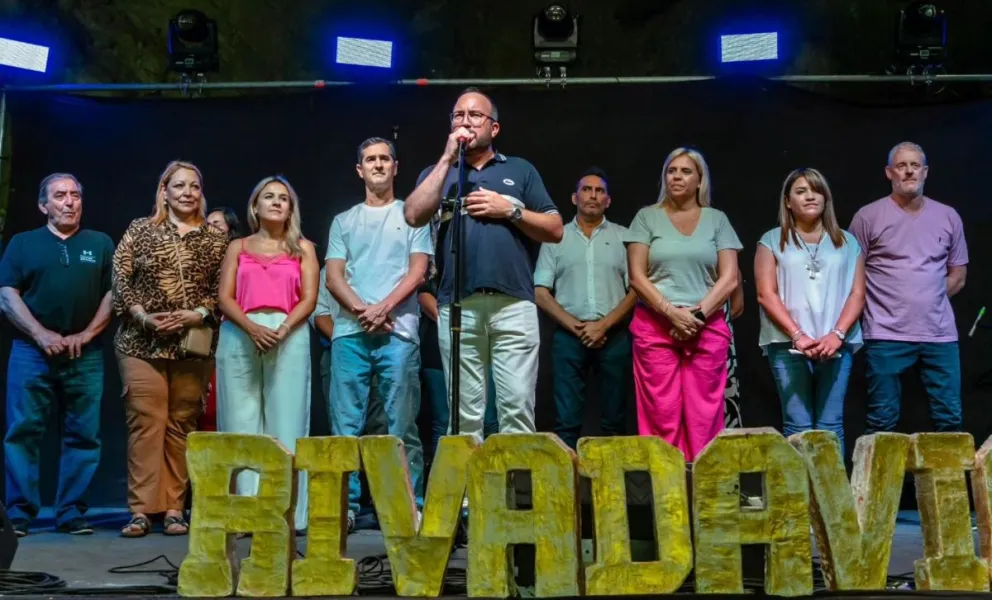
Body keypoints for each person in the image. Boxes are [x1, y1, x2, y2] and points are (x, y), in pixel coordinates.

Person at [403, 87, 563, 439]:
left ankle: (513, 494)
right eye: (458, 115)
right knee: (463, 415)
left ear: (494, 128)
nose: (466, 121)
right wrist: (446, 159)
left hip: (513, 304)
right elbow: (413, 214)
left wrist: (510, 210)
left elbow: (555, 228)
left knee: (517, 409)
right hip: (458, 307)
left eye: (475, 115)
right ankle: (468, 496)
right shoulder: (438, 173)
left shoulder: (519, 170)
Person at [112, 160, 227, 537]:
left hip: (192, 348)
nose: (187, 193)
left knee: (181, 426)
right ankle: (142, 510)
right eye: (178, 186)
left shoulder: (215, 237)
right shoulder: (140, 230)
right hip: (140, 343)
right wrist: (142, 316)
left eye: (194, 186)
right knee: (147, 424)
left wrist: (198, 313)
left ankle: (175, 508)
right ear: (164, 191)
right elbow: (120, 278)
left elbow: (223, 290)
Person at [0, 173, 114, 537]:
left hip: (86, 353)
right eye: (60, 196)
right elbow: (7, 295)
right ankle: (19, 513)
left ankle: (71, 513)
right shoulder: (22, 243)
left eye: (76, 195)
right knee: (23, 432)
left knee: (84, 435)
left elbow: (113, 296)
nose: (69, 202)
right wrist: (40, 334)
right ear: (42, 205)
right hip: (31, 352)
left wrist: (87, 333)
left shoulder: (100, 243)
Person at [326, 137, 431, 532]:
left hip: (398, 334)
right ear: (359, 169)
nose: (378, 164)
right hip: (350, 335)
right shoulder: (344, 220)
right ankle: (345, 507)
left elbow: (418, 271)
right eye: (370, 159)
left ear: (396, 166)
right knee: (346, 428)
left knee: (402, 426)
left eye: (384, 158)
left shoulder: (412, 215)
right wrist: (362, 311)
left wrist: (382, 308)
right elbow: (334, 276)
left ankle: (410, 505)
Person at [216, 176, 318, 532]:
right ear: (255, 206)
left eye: (284, 198)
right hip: (241, 330)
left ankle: (286, 511)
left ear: (291, 208)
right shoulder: (238, 247)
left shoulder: (304, 249)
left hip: (288, 332)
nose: (276, 202)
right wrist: (251, 328)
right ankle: (245, 511)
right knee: (240, 419)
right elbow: (224, 297)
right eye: (269, 197)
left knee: (286, 420)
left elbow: (309, 299)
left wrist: (283, 329)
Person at [625, 147, 741, 462]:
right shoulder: (646, 217)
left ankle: (704, 494)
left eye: (686, 171)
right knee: (661, 413)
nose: (677, 176)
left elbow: (729, 278)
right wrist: (671, 314)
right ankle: (668, 495)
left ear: (699, 179)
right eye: (672, 170)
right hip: (656, 326)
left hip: (706, 327)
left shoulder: (717, 220)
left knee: (704, 416)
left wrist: (697, 316)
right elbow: (636, 276)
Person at [850, 142, 968, 434]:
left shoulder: (948, 216)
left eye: (915, 165)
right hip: (885, 334)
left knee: (949, 419)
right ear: (889, 172)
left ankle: (946, 481)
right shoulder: (868, 217)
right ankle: (875, 482)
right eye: (902, 166)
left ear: (925, 172)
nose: (909, 171)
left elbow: (958, 275)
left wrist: (930, 299)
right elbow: (852, 275)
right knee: (882, 421)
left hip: (939, 335)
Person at [755, 168, 866, 454]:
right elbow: (766, 294)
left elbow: (857, 293)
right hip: (787, 344)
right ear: (788, 201)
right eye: (801, 191)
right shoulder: (771, 240)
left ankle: (831, 499)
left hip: (836, 344)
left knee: (831, 425)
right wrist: (798, 335)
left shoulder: (848, 241)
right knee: (797, 425)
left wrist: (837, 334)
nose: (810, 196)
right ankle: (800, 498)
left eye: (816, 190)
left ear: (826, 198)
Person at [534, 168, 635, 449]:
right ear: (574, 197)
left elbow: (637, 289)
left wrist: (603, 325)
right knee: (566, 421)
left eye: (599, 190)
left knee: (615, 419)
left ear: (608, 200)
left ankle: (613, 489)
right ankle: (568, 488)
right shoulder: (555, 237)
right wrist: (578, 327)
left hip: (613, 335)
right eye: (587, 189)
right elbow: (541, 292)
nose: (593, 195)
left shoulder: (624, 237)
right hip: (569, 336)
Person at [417, 218, 499, 463]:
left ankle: (492, 482)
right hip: (438, 344)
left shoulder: (480, 250)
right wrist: (449, 321)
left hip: (483, 339)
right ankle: (448, 489)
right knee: (444, 421)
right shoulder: (428, 252)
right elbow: (423, 293)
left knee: (490, 418)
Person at [200, 206, 243, 432]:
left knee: (223, 406)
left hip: (231, 337)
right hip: (201, 341)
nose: (210, 228)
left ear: (230, 230)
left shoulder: (242, 260)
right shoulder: (199, 261)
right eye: (207, 224)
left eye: (216, 224)